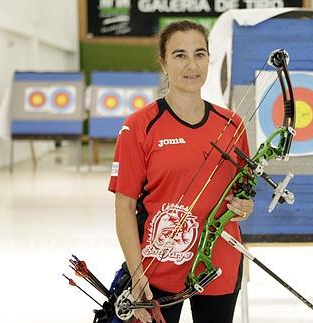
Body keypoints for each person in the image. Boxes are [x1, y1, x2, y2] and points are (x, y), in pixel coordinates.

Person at [108, 20, 254, 323]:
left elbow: (241, 196)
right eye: (180, 55)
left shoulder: (232, 124)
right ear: (163, 63)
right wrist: (136, 276)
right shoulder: (139, 126)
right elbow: (124, 205)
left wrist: (244, 207)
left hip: (219, 264)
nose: (192, 65)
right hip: (158, 266)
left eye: (199, 54)